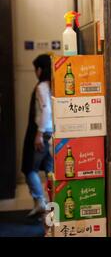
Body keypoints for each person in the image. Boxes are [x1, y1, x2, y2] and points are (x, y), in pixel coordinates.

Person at [22, 54, 53, 217]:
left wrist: (39, 134)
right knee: (49, 168)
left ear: (40, 70)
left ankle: (40, 201)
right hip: (51, 131)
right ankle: (53, 200)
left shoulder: (42, 86)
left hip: (42, 131)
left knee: (29, 168)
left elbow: (46, 110)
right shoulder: (54, 84)